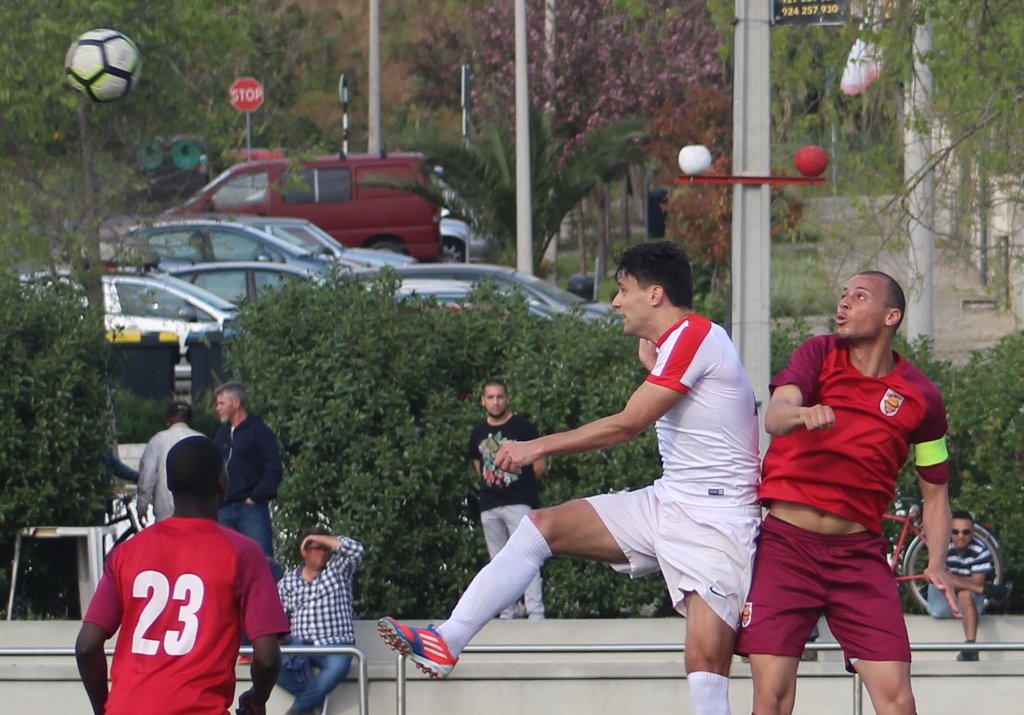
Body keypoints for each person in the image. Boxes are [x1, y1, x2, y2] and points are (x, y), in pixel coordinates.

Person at [379, 240, 762, 715]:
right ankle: (447, 640)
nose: (616, 302)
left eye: (623, 289)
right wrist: (655, 360)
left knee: (705, 669)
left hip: (718, 522)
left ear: (655, 294)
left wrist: (536, 446)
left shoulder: (696, 335)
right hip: (669, 501)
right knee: (539, 528)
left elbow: (626, 425)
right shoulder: (681, 343)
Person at [735, 271, 958, 715]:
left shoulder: (924, 398)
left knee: (898, 700)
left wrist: (937, 561)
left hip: (858, 556)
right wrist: (800, 415)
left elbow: (935, 493)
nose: (844, 304)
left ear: (891, 316)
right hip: (786, 548)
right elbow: (775, 415)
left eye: (859, 296)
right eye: (843, 296)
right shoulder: (818, 353)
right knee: (772, 697)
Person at [75, 435, 290, 715]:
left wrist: (103, 709)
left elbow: (87, 646)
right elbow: (268, 658)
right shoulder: (243, 553)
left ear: (169, 485)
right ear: (221, 481)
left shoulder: (128, 551)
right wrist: (257, 696)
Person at [468, 378, 546, 620]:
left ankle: (535, 612)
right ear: (483, 401)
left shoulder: (523, 428)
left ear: (507, 398)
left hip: (519, 501)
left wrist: (520, 484)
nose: (495, 401)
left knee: (528, 555)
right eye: (490, 397)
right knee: (498, 561)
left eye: (500, 396)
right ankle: (506, 612)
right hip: (490, 504)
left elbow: (539, 465)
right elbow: (479, 466)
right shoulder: (478, 432)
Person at [276, 526, 365, 715]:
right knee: (267, 662)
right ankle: (313, 703)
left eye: (325, 548)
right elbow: (278, 621)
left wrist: (320, 538)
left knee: (338, 665)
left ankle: (299, 710)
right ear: (304, 551)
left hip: (335, 644)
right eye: (316, 548)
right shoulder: (287, 583)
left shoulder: (338, 570)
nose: (322, 552)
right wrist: (279, 638)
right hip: (299, 645)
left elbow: (357, 550)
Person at [214, 381, 283, 558]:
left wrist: (255, 496)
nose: (217, 408)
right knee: (223, 559)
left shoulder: (259, 432)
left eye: (221, 403)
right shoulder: (221, 435)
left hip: (251, 509)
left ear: (236, 403)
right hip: (223, 508)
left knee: (261, 559)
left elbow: (273, 468)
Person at [926, 510, 1006, 661]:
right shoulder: (941, 547)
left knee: (965, 594)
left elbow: (975, 582)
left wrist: (950, 579)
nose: (960, 536)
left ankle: (970, 645)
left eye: (966, 532)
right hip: (941, 606)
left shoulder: (980, 549)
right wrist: (981, 588)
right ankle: (983, 591)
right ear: (948, 531)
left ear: (973, 532)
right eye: (955, 532)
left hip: (969, 606)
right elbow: (934, 575)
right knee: (942, 577)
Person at [137, 399, 203, 522]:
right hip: (198, 513)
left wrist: (142, 506)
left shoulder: (158, 440)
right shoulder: (202, 439)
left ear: (169, 418)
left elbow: (148, 476)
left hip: (165, 512)